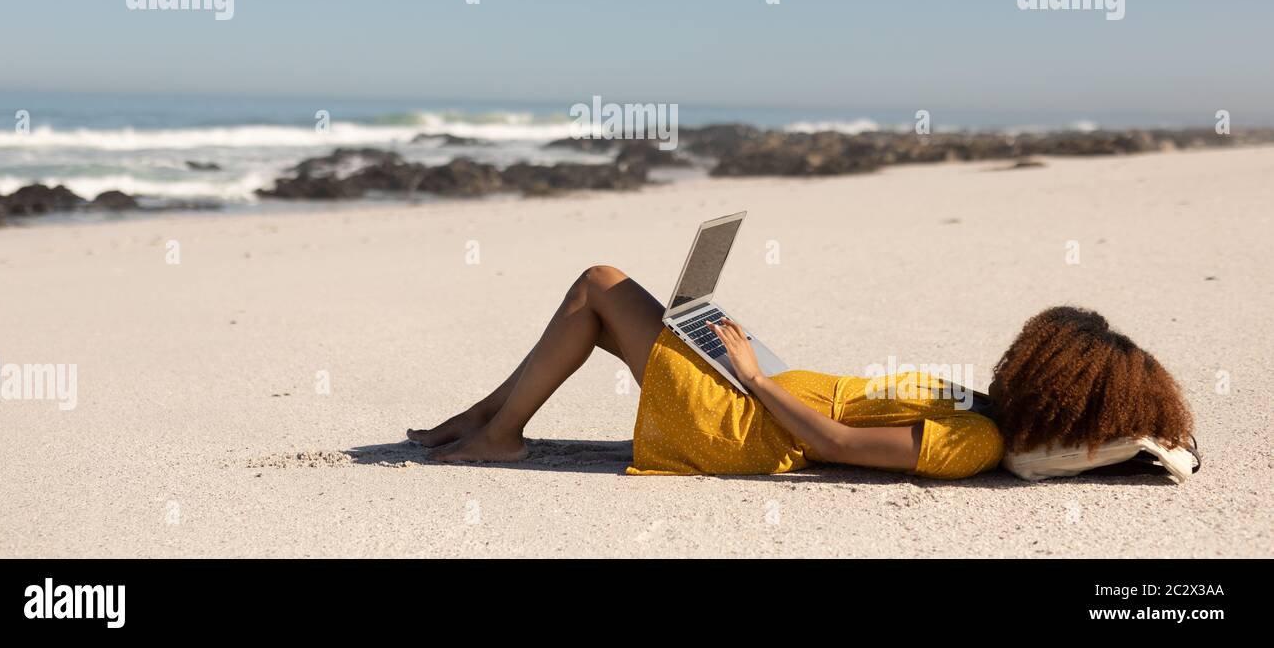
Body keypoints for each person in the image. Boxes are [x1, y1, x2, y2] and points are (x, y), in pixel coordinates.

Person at [408, 266, 1194, 480]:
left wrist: (748, 373)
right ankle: (479, 421)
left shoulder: (976, 445)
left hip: (743, 426)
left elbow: (837, 444)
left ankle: (496, 434)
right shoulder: (981, 405)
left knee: (600, 289)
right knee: (600, 313)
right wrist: (756, 360)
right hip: (758, 393)